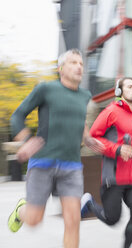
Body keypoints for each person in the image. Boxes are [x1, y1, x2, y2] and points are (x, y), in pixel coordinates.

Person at [7, 49, 103, 248]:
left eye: (81, 64)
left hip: (72, 166)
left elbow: (80, 118)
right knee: (34, 220)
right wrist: (26, 140)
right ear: (61, 69)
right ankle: (20, 210)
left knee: (73, 221)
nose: (79, 67)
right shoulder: (46, 89)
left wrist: (87, 137)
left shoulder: (85, 95)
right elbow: (17, 116)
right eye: (73, 62)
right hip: (43, 162)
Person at [81, 77, 132, 248]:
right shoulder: (110, 111)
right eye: (129, 87)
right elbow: (93, 138)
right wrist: (117, 150)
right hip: (114, 177)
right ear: (119, 92)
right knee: (112, 219)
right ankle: (90, 202)